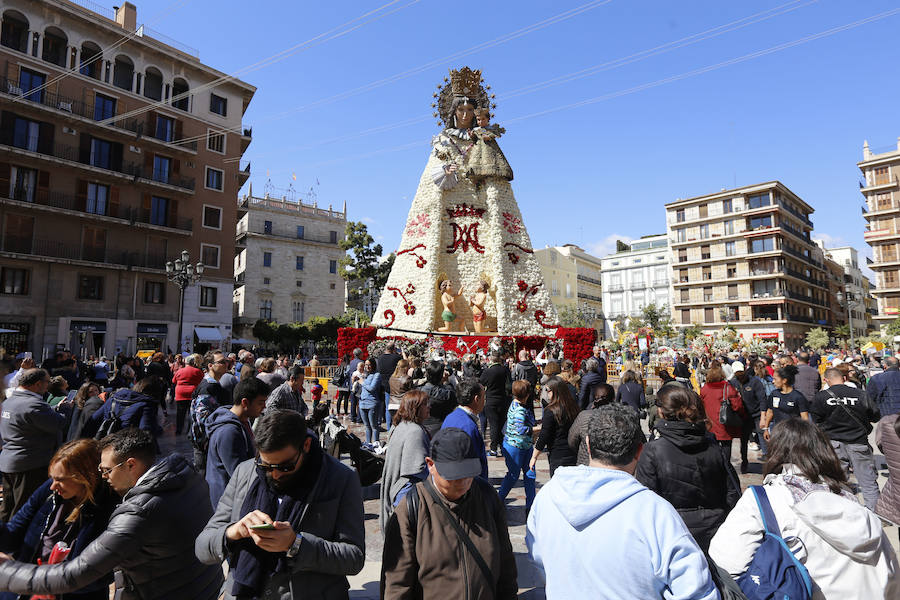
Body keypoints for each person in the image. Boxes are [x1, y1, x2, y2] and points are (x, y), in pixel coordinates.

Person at [0, 428, 224, 599]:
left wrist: (7, 573)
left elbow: (78, 574)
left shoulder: (135, 511)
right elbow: (15, 529)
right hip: (200, 587)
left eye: (106, 470)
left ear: (130, 465)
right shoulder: (186, 477)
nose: (103, 476)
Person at [527, 404, 718, 599]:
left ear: (588, 444)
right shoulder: (653, 511)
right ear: (639, 451)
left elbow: (539, 559)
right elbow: (697, 590)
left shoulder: (547, 497)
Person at [710, 418, 900, 598]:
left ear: (776, 452)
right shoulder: (850, 500)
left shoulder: (763, 500)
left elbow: (726, 563)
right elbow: (890, 575)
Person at [196, 409, 365, 599]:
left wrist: (296, 545)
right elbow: (202, 547)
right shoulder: (245, 472)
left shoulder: (341, 479)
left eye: (285, 466)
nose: (275, 475)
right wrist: (233, 532)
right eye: (266, 466)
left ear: (306, 445)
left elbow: (354, 558)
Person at [381, 427, 517, 600]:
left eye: (468, 474)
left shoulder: (487, 497)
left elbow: (506, 568)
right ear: (431, 465)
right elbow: (397, 586)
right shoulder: (411, 509)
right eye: (453, 476)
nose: (463, 482)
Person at [0, 439, 119, 600]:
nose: (53, 486)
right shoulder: (50, 493)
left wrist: (51, 585)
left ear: (85, 477)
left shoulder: (108, 508)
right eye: (52, 478)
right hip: (26, 587)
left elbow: (101, 575)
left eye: (61, 480)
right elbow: (13, 533)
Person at [635, 384, 740, 551]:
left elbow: (646, 503)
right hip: (713, 532)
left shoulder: (653, 450)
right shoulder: (713, 447)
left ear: (661, 412)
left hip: (673, 534)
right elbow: (733, 493)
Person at [811, 367, 881, 511]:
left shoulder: (821, 397)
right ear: (844, 378)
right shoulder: (861, 394)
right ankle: (876, 517)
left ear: (826, 380)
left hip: (833, 444)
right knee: (868, 482)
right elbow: (875, 415)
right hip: (859, 443)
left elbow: (816, 419)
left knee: (836, 482)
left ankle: (841, 513)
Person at [0, 369, 65, 522]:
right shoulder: (33, 404)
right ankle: (14, 542)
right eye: (47, 382)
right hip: (30, 464)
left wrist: (52, 410)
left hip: (10, 461)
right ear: (37, 384)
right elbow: (58, 423)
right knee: (23, 509)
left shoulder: (9, 401)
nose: (48, 386)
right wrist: (64, 411)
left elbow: (28, 418)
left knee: (7, 507)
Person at [205, 377, 268, 508]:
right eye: (261, 402)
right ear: (245, 402)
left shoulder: (242, 421)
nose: (264, 406)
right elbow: (239, 474)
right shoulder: (229, 432)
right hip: (228, 502)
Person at [379, 390, 430, 532]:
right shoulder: (415, 431)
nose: (429, 407)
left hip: (397, 489)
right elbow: (417, 469)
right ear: (415, 408)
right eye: (425, 404)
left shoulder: (400, 426)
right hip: (407, 492)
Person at [83, 377, 165, 441]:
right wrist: (158, 429)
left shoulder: (113, 399)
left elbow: (92, 421)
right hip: (126, 450)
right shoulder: (147, 405)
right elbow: (146, 433)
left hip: (106, 444)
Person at [497, 380, 537, 513]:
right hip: (515, 447)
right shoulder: (519, 410)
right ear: (527, 395)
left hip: (524, 445)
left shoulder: (516, 404)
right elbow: (521, 429)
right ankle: (499, 499)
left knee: (529, 474)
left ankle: (530, 505)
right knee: (514, 475)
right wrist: (537, 429)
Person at [530, 377, 579, 477]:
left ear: (555, 391)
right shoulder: (574, 407)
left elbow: (544, 435)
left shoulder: (551, 411)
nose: (546, 393)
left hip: (558, 453)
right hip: (573, 452)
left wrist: (534, 457)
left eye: (547, 390)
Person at [699, 362, 746, 466]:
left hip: (709, 424)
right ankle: (725, 467)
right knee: (726, 447)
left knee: (711, 446)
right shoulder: (728, 388)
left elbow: (700, 406)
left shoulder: (705, 389)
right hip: (724, 424)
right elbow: (737, 406)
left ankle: (713, 465)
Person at [442, 378, 488, 480]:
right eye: (484, 397)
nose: (485, 401)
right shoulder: (468, 427)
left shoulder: (451, 417)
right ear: (476, 399)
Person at [731, 360, 767, 471]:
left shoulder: (755, 382)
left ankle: (767, 460)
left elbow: (762, 400)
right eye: (737, 374)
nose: (740, 376)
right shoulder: (733, 383)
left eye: (741, 373)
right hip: (743, 417)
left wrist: (763, 417)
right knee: (744, 439)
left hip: (756, 415)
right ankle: (744, 461)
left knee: (763, 436)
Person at [569, 383, 615, 465]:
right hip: (612, 465)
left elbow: (572, 441)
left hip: (587, 464)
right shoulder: (622, 417)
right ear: (613, 398)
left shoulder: (584, 416)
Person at [761, 364, 809, 442]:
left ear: (784, 380)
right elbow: (770, 412)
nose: (773, 382)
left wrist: (805, 435)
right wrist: (766, 428)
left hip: (793, 434)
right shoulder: (774, 394)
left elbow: (805, 418)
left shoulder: (798, 396)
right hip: (777, 432)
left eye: (775, 379)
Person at [480, 349, 512, 456]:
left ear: (491, 359)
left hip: (491, 400)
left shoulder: (488, 371)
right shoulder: (504, 370)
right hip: (503, 400)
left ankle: (493, 448)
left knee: (493, 424)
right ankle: (502, 446)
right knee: (501, 424)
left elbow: (482, 382)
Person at [421, 360, 458, 438]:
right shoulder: (446, 393)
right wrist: (447, 382)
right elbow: (454, 400)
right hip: (441, 428)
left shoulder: (420, 390)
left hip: (424, 427)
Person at [172, 353, 203, 435]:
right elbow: (202, 381)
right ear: (193, 363)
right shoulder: (197, 371)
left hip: (180, 394)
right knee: (191, 413)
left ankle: (178, 430)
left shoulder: (179, 371)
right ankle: (189, 431)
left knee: (180, 414)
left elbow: (173, 381)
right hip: (192, 393)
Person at [377, 342, 402, 429]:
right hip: (394, 384)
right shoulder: (396, 357)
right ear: (393, 349)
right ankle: (396, 426)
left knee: (388, 407)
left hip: (383, 384)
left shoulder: (380, 358)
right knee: (397, 406)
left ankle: (389, 427)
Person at [360, 357, 383, 446]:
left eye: (369, 365)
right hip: (362, 403)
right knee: (367, 426)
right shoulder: (365, 375)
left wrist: (362, 382)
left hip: (372, 403)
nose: (367, 366)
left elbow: (372, 388)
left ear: (373, 365)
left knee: (374, 426)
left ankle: (376, 444)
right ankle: (368, 444)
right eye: (366, 364)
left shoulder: (377, 375)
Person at [388, 359, 412, 428]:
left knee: (395, 426)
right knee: (404, 427)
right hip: (402, 405)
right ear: (406, 367)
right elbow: (411, 392)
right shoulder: (407, 378)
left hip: (392, 405)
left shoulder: (391, 378)